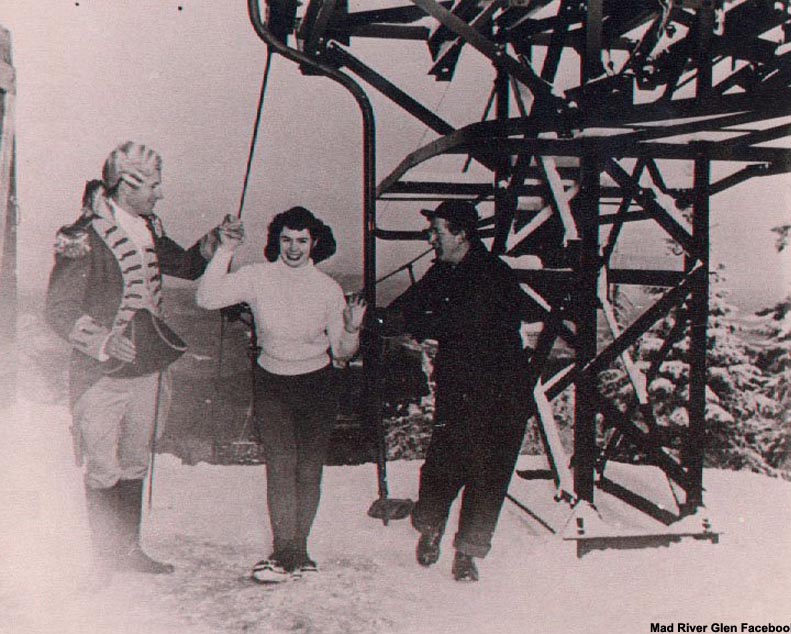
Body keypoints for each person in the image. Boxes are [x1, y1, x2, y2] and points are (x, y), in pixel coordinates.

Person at [45, 141, 242, 586]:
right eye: (152, 185)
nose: (159, 194)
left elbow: (188, 266)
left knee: (136, 460)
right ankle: (103, 558)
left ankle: (129, 549)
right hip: (100, 373)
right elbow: (58, 308)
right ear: (125, 184)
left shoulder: (148, 226)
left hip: (148, 369)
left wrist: (218, 241)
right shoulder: (80, 235)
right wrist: (102, 341)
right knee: (102, 465)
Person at [196, 205, 366, 584]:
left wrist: (352, 328)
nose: (293, 248)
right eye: (287, 239)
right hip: (272, 382)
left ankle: (300, 551)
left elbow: (340, 352)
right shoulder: (257, 277)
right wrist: (225, 250)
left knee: (308, 470)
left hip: (317, 385)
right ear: (277, 241)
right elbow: (206, 299)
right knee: (280, 466)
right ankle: (282, 550)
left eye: (302, 241)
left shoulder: (327, 288)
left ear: (314, 243)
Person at [382, 200, 535, 582]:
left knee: (488, 472)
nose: (429, 237)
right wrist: (375, 317)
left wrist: (423, 323)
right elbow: (411, 308)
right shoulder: (443, 273)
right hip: (462, 388)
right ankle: (431, 527)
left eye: (437, 230)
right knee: (444, 464)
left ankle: (468, 552)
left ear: (461, 233)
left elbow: (463, 323)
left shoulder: (493, 275)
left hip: (502, 392)